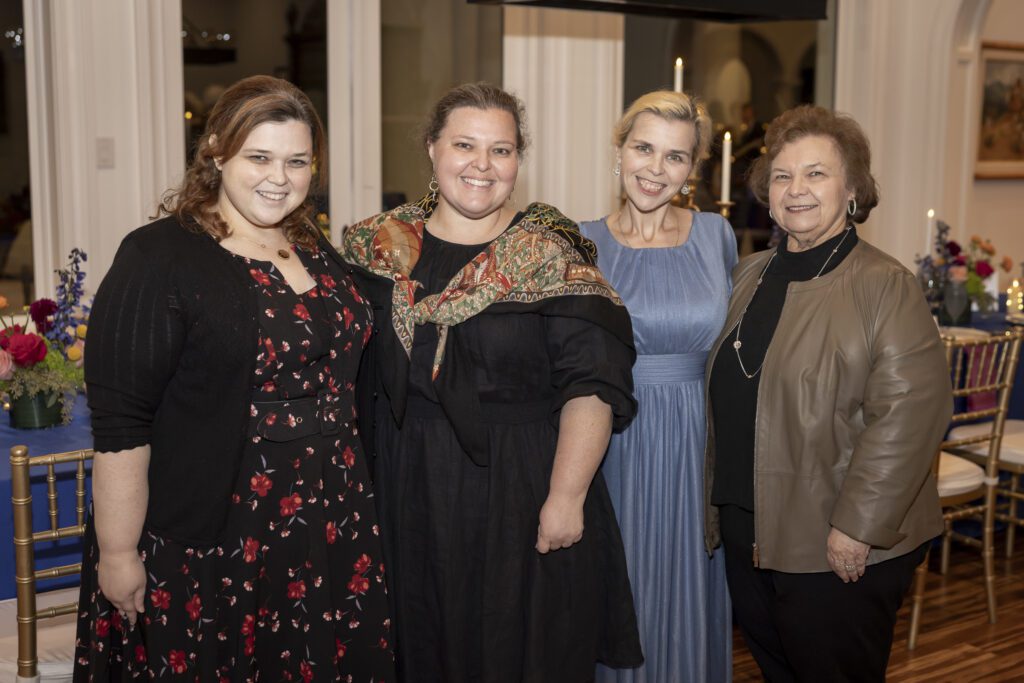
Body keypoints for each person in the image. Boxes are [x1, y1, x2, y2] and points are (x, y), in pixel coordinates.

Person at [74, 75, 395, 681]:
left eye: (297, 161)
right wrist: (117, 552)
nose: (280, 177)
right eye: (259, 157)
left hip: (331, 511)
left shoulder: (312, 244)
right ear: (216, 150)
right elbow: (122, 424)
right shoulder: (159, 256)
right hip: (219, 525)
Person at [341, 82, 643, 681]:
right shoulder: (373, 249)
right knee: (416, 639)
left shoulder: (552, 256)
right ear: (432, 149)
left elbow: (593, 385)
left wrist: (566, 497)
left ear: (518, 162)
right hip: (404, 482)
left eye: (501, 150)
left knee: (515, 646)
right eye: (464, 145)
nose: (482, 165)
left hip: (519, 486)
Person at [705, 105, 951, 682]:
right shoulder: (748, 275)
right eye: (784, 175)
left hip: (833, 538)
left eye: (816, 174)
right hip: (749, 527)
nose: (797, 190)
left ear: (852, 189)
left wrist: (858, 527)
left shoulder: (884, 285)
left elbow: (909, 416)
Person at [580, 90, 735, 683]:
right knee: (624, 587)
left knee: (692, 582)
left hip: (699, 442)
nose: (655, 168)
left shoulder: (715, 236)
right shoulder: (580, 241)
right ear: (619, 152)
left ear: (692, 169)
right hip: (613, 439)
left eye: (675, 156)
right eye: (643, 148)